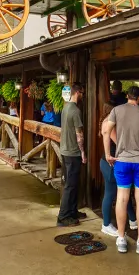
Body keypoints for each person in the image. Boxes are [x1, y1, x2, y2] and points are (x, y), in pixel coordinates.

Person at [103, 86, 139, 255]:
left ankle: (122, 238)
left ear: (127, 96)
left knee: (122, 198)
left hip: (122, 161)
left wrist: (108, 154)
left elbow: (106, 131)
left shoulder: (116, 110)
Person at [99, 102, 137, 237]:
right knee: (111, 194)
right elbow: (119, 143)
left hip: (107, 162)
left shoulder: (106, 121)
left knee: (123, 192)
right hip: (111, 163)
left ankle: (133, 220)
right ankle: (106, 224)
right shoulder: (110, 124)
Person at [56, 82, 87, 227]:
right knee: (70, 185)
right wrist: (83, 152)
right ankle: (63, 217)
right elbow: (79, 134)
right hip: (73, 152)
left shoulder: (66, 107)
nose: (83, 96)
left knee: (73, 184)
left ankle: (72, 211)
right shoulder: (75, 111)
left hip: (65, 150)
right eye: (82, 93)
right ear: (77, 92)